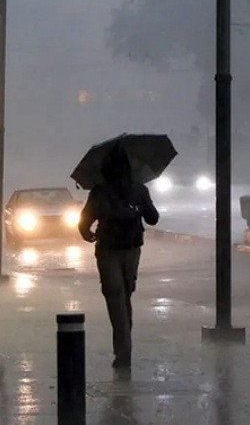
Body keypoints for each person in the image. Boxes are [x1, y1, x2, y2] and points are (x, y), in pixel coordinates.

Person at [78, 146, 159, 368]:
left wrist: (89, 234)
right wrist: (139, 206)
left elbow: (84, 223)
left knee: (116, 297)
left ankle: (123, 349)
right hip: (132, 248)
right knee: (125, 296)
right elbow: (153, 218)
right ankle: (124, 346)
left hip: (108, 249)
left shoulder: (99, 191)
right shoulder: (138, 190)